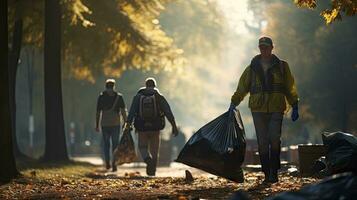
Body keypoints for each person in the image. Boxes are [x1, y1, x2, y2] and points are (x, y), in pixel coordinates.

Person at [230, 37, 299, 183]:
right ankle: (267, 173)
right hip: (258, 110)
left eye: (266, 47)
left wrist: (295, 104)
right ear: (259, 48)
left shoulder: (282, 67)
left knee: (274, 140)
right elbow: (242, 88)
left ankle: (274, 171)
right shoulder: (252, 68)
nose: (264, 50)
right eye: (261, 47)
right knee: (262, 143)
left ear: (272, 48)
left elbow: (289, 87)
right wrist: (234, 102)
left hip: (276, 108)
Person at [124, 77, 178, 176]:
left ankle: (148, 161)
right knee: (155, 149)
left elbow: (131, 112)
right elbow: (167, 111)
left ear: (146, 85)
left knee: (142, 147)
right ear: (154, 85)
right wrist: (173, 125)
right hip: (156, 127)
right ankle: (152, 171)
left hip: (142, 127)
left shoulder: (138, 96)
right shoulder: (158, 96)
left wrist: (128, 125)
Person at [96, 79, 127, 172]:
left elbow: (98, 112)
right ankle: (114, 163)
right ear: (114, 86)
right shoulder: (119, 97)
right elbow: (123, 111)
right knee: (115, 144)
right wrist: (126, 123)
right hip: (116, 124)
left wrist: (97, 124)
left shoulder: (101, 97)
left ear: (106, 86)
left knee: (106, 144)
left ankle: (107, 162)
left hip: (105, 124)